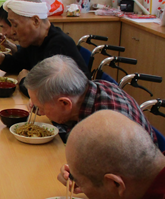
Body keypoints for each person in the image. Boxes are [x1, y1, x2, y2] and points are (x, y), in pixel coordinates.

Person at [24, 55, 156, 143]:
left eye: (40, 107)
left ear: (64, 103)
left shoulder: (107, 129)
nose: (39, 112)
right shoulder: (90, 90)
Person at [0, 0, 89, 96]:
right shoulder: (34, 40)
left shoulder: (59, 45)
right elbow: (20, 64)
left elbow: (47, 94)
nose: (12, 31)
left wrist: (24, 80)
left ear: (35, 21)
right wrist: (1, 59)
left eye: (15, 25)